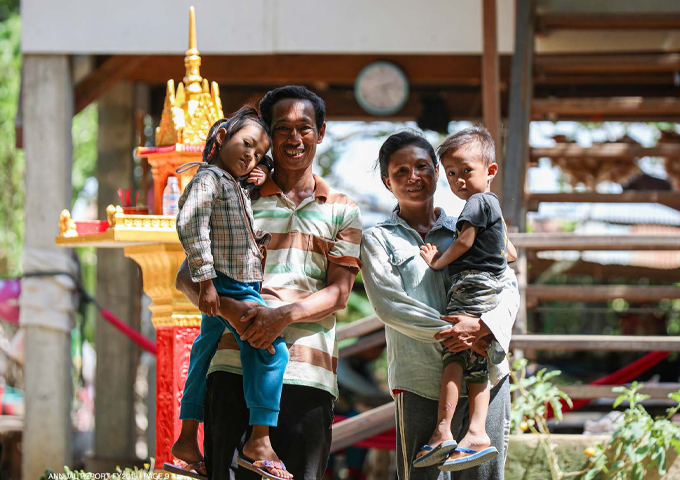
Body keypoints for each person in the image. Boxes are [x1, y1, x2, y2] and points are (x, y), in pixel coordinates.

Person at [175, 85, 362, 480]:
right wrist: (236, 313)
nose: (294, 138)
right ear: (268, 134)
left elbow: (340, 293)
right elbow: (185, 275)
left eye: (305, 128)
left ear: (321, 132)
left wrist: (281, 317)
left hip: (309, 373)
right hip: (230, 367)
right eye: (282, 128)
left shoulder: (343, 209)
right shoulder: (236, 194)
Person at [360, 131, 520, 480]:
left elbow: (508, 284)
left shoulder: (470, 223)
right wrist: (452, 331)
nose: (413, 176)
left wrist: (481, 327)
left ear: (436, 170)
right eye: (400, 171)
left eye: (421, 166)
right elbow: (390, 305)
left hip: (486, 377)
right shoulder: (378, 239)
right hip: (420, 381)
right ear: (387, 182)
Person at [171, 107, 292, 480]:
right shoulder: (209, 179)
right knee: (271, 351)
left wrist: (264, 169)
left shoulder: (233, 183)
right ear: (221, 138)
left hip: (233, 280)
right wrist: (205, 281)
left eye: (258, 154)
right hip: (228, 283)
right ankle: (259, 441)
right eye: (246, 145)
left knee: (203, 354)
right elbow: (190, 222)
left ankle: (187, 439)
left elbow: (248, 178)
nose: (250, 156)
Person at [416, 127, 517, 472]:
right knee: (477, 360)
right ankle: (474, 432)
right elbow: (510, 253)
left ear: (490, 171)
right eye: (452, 174)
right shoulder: (494, 206)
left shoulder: (476, 203)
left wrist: (436, 261)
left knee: (454, 352)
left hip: (471, 285)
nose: (459, 180)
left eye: (466, 171)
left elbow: (463, 242)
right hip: (488, 287)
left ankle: (443, 431)